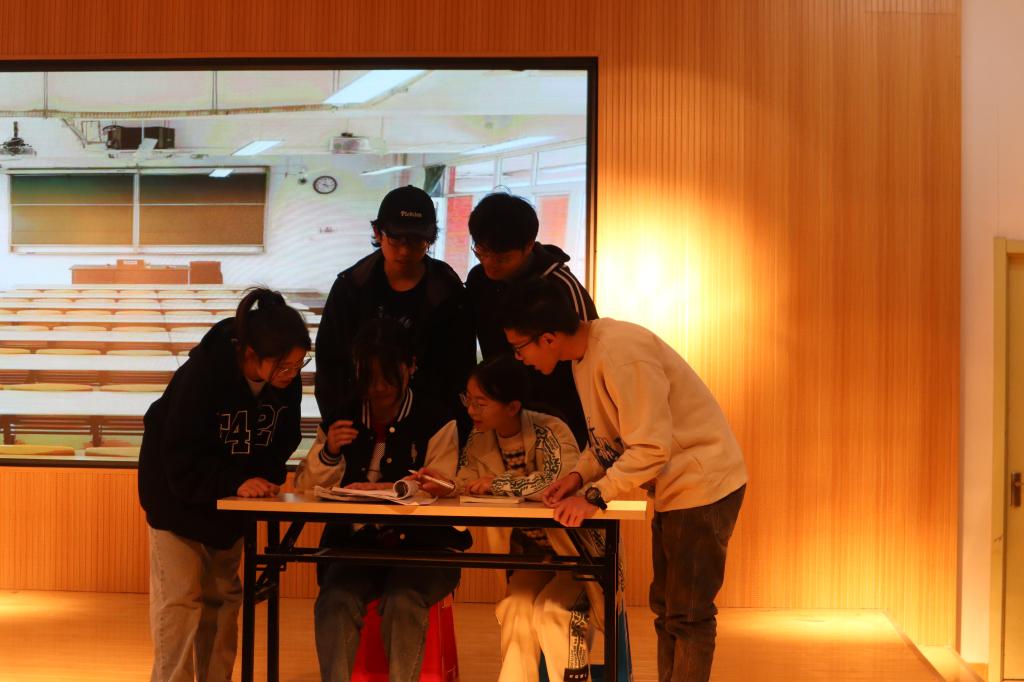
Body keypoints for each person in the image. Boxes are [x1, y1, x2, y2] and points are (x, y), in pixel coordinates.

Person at [499, 278, 748, 682]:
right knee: (667, 609)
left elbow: (650, 448)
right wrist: (577, 477)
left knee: (688, 614)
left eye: (519, 347)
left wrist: (593, 496)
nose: (519, 358)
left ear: (547, 338)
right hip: (678, 487)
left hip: (703, 484)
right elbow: (609, 440)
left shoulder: (620, 353)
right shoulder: (585, 356)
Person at [138, 288, 311, 682]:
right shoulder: (202, 375)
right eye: (283, 366)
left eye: (298, 365)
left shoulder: (286, 382)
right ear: (250, 355)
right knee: (181, 601)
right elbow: (181, 456)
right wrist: (237, 481)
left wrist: (263, 478)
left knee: (224, 598)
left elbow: (283, 439)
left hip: (231, 503)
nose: (291, 374)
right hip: (175, 499)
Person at [294, 318, 469, 682]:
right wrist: (328, 452)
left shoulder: (436, 418)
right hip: (355, 547)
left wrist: (395, 487)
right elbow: (307, 489)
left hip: (425, 550)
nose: (377, 388)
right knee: (335, 600)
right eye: (368, 377)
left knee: (404, 600)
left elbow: (443, 485)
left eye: (388, 376)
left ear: (410, 366)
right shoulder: (342, 416)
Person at [450, 354, 616, 682]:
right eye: (468, 401)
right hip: (533, 558)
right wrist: (441, 484)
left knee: (553, 613)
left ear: (512, 406)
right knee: (515, 609)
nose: (471, 411)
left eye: (480, 403)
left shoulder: (550, 430)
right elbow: (466, 480)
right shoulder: (480, 437)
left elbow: (557, 484)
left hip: (580, 557)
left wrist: (497, 484)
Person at [314, 184, 475, 418]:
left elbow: (459, 368)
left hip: (429, 420)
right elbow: (330, 365)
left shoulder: (447, 291)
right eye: (396, 240)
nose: (405, 251)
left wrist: (445, 424)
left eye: (416, 241)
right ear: (378, 233)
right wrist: (338, 420)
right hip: (358, 415)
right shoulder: (352, 287)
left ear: (430, 238)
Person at [465, 191, 597, 448]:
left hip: (562, 419)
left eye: (502, 258)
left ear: (528, 245)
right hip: (505, 419)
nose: (489, 265)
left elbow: (587, 359)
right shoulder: (479, 280)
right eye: (481, 252)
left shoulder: (559, 287)